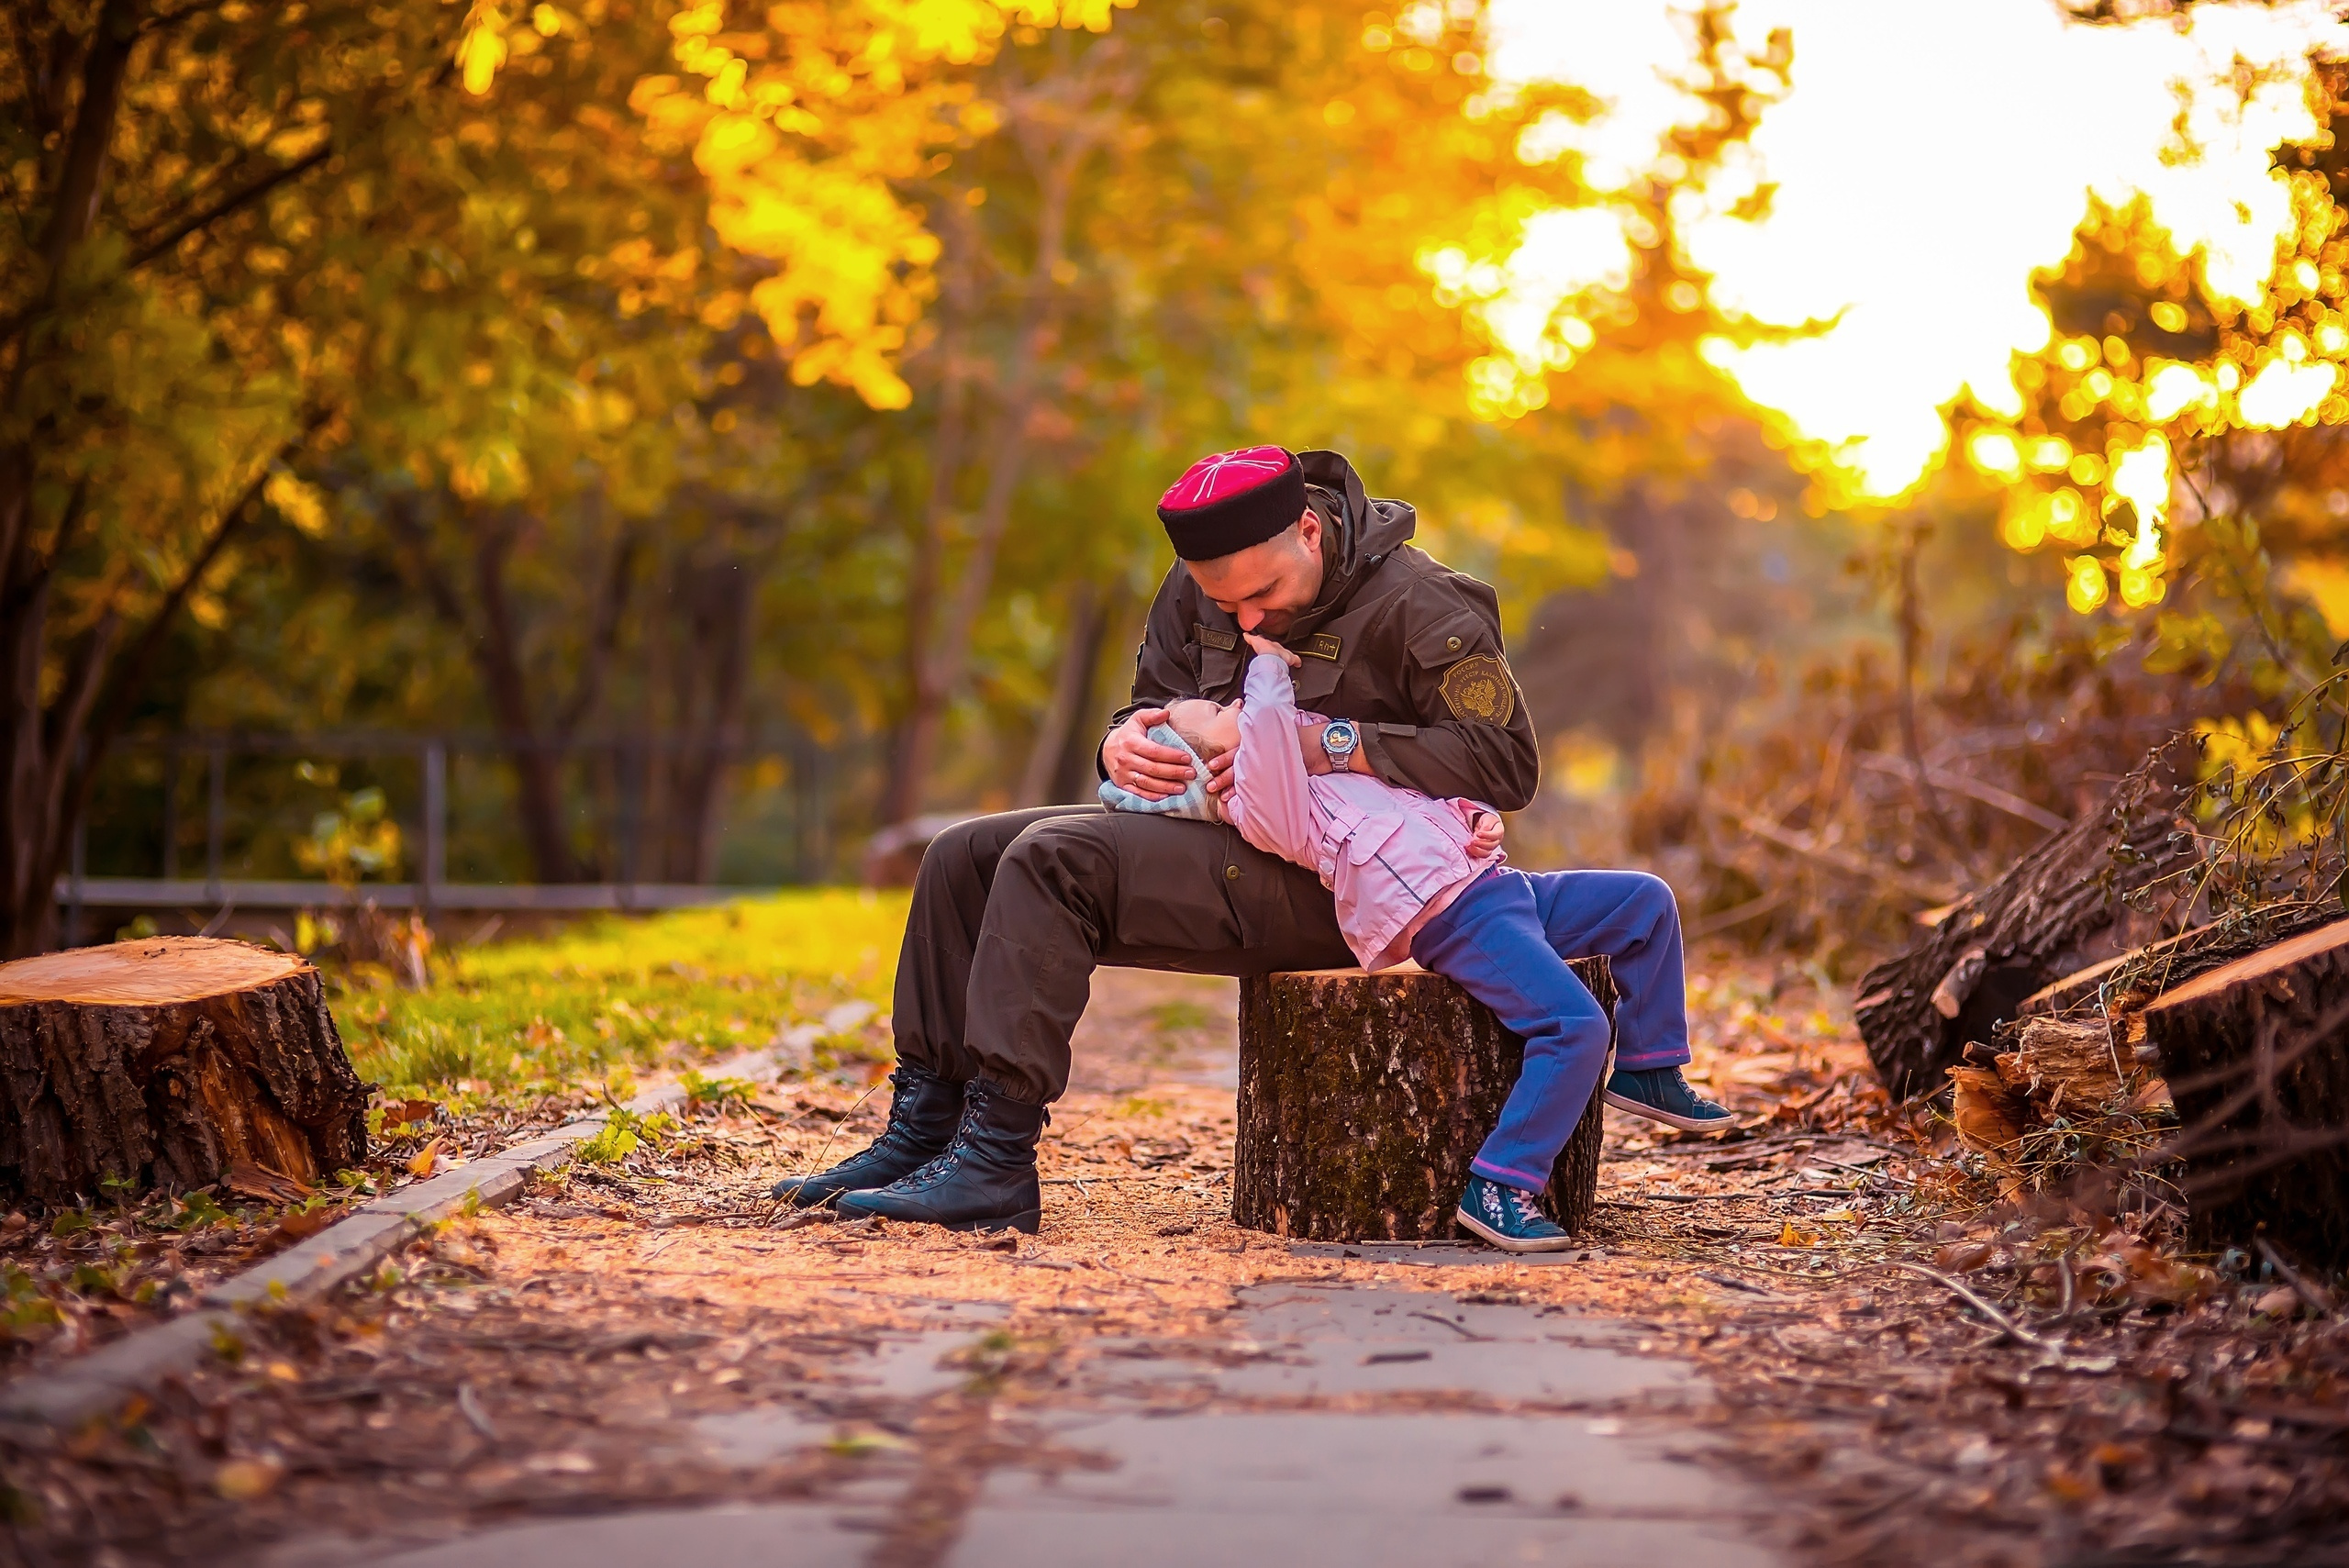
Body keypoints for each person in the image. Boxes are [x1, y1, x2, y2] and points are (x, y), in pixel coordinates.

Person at [771, 445, 1675, 1232]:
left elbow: (1505, 764)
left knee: (1053, 862)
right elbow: (1150, 703)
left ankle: (995, 1158)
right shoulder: (1203, 581)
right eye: (1221, 600)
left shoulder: (1426, 603)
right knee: (961, 854)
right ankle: (921, 1130)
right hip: (1228, 836)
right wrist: (1122, 743)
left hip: (1362, 890)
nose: (1244, 618)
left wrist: (1328, 741)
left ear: (1311, 534)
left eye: (1264, 595)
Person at [1119, 636, 1726, 1252]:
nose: (1237, 706)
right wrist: (1268, 665)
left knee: (1646, 903)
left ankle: (1650, 1069)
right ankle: (1498, 1188)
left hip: (1499, 885)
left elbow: (1411, 794)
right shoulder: (1263, 804)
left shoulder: (1319, 760)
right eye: (1219, 715)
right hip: (1456, 915)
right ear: (1209, 767)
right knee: (1576, 1027)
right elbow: (1270, 738)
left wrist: (1474, 815)